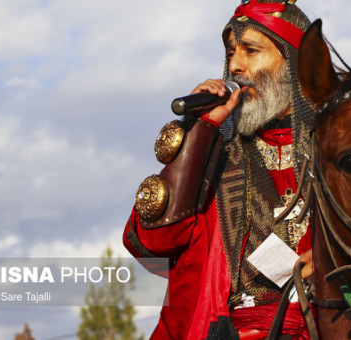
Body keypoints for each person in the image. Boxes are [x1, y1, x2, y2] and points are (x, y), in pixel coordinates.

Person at [123, 1, 317, 339]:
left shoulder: (341, 151)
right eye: (230, 54)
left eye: (251, 51)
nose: (235, 67)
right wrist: (199, 132)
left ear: (294, 62)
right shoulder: (215, 155)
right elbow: (153, 243)